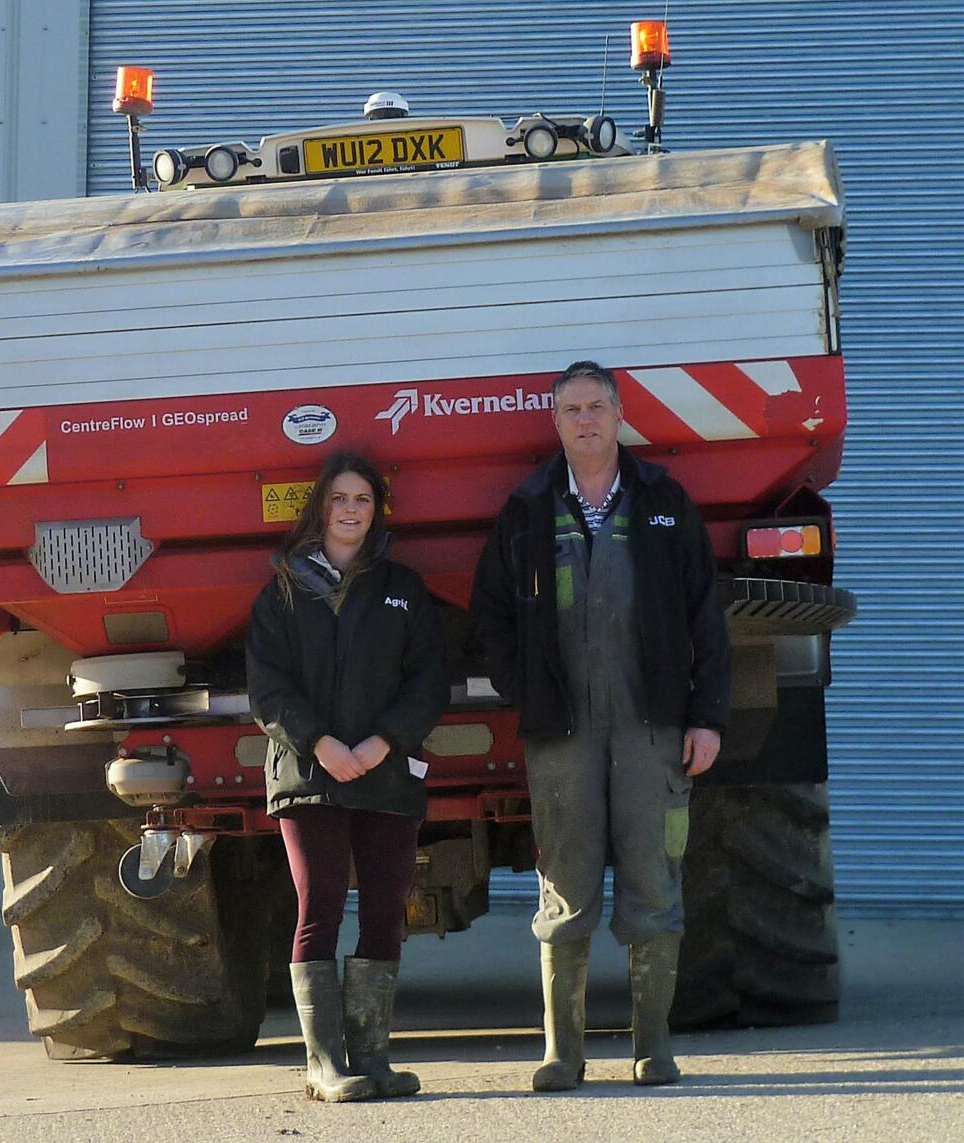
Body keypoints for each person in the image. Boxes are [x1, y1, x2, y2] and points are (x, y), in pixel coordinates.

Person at [470, 360, 731, 1090]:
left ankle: (653, 1047)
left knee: (654, 880)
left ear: (620, 417)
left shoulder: (664, 503)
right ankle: (563, 1053)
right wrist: (522, 684)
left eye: (596, 407)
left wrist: (706, 717)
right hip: (562, 730)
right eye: (571, 409)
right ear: (554, 421)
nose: (584, 420)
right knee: (567, 884)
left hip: (652, 724)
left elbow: (706, 619)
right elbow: (487, 608)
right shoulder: (526, 508)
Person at [247, 450, 448, 1103]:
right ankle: (324, 1065)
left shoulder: (403, 587)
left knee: (387, 908)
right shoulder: (281, 590)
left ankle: (373, 1057)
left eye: (363, 499)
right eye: (340, 499)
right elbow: (267, 688)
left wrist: (382, 741)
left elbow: (428, 679)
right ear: (320, 508)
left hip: (387, 770)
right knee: (321, 904)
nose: (352, 510)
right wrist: (323, 743)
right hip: (309, 771)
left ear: (376, 510)